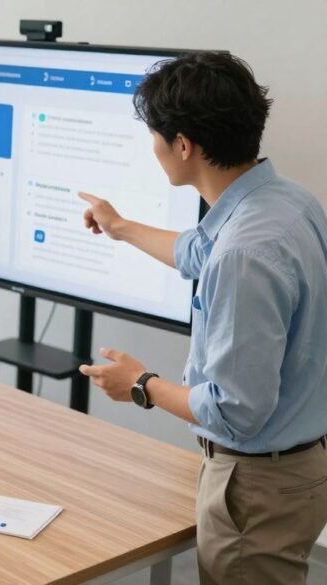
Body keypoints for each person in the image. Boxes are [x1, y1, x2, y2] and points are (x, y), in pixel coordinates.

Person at [77, 52, 327, 584]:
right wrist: (119, 226)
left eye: (155, 136)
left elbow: (237, 411)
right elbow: (199, 251)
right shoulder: (286, 203)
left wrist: (139, 384)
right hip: (296, 471)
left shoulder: (245, 253)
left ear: (184, 145)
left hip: (256, 488)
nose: (153, 147)